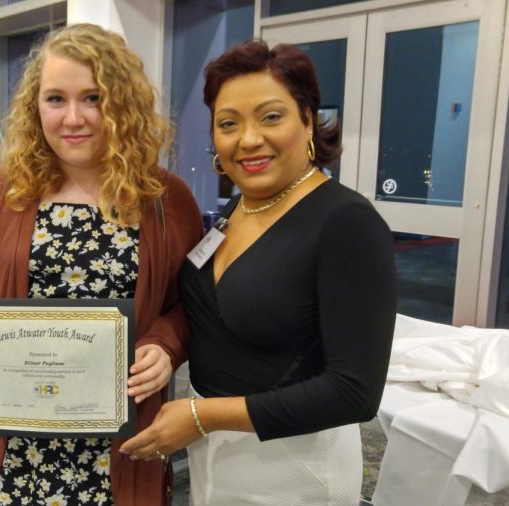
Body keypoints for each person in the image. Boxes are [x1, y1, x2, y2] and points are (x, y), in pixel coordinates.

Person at [0, 23, 203, 506]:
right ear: (35, 108)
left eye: (94, 98)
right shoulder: (1, 192)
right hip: (17, 443)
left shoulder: (165, 199)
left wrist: (165, 347)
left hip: (119, 442)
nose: (73, 118)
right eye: (55, 99)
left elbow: (189, 305)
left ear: (122, 103)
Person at [121, 40, 397, 505]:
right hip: (217, 450)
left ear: (308, 119)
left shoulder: (346, 222)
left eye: (271, 116)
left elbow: (354, 393)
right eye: (229, 123)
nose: (248, 139)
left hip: (295, 464)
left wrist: (204, 415)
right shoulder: (240, 209)